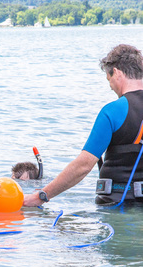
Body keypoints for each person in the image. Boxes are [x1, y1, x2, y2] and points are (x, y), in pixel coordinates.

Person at [24, 44, 143, 207]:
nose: (111, 87)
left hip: (117, 206)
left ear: (116, 72)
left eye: (109, 81)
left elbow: (83, 165)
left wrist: (42, 196)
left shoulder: (113, 111)